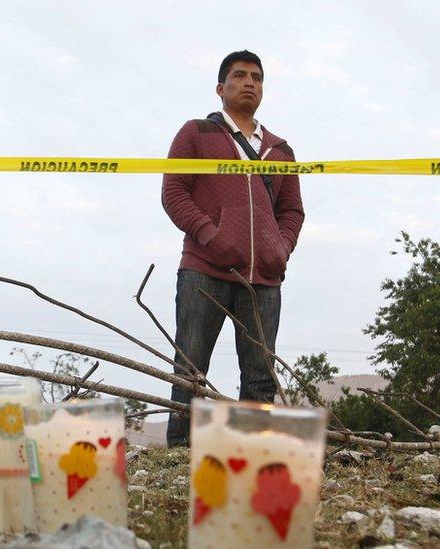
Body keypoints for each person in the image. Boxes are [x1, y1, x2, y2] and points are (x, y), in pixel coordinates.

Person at [162, 50, 304, 446]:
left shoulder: (281, 150)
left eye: (257, 77)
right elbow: (174, 193)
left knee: (260, 376)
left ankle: (251, 456)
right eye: (240, 76)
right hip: (203, 271)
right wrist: (211, 236)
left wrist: (281, 248)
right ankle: (178, 457)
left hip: (264, 279)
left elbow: (292, 210)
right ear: (220, 88)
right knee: (190, 366)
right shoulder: (196, 133)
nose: (250, 83)